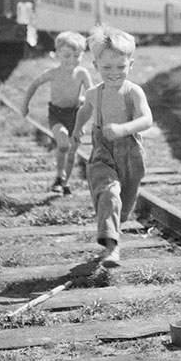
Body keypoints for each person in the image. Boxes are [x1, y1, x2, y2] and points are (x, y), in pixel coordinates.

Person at [68, 25, 153, 268]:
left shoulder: (133, 92)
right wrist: (77, 130)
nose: (114, 73)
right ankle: (111, 249)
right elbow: (84, 111)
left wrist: (123, 129)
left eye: (120, 67)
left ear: (131, 65)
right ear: (96, 67)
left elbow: (147, 120)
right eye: (106, 67)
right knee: (109, 193)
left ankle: (114, 226)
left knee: (123, 207)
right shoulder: (95, 93)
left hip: (130, 153)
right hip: (102, 152)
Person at [21, 31, 92, 194]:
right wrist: (25, 105)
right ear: (58, 54)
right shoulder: (53, 73)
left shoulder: (82, 73)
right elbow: (34, 85)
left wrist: (85, 112)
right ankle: (59, 176)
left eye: (77, 56)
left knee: (73, 150)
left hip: (75, 115)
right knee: (63, 144)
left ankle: (65, 183)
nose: (72, 60)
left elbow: (92, 94)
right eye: (67, 56)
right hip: (57, 114)